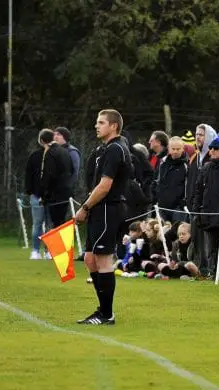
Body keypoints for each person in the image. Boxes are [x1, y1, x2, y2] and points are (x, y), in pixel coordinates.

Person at [73, 109, 131, 325]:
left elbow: (105, 186)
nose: (96, 126)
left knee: (103, 259)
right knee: (89, 258)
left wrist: (85, 207)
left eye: (101, 122)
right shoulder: (104, 149)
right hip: (100, 209)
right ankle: (103, 310)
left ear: (114, 126)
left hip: (108, 208)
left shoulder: (116, 149)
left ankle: (106, 314)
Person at [192, 132, 219, 280]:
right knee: (211, 246)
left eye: (216, 148)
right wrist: (196, 211)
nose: (212, 151)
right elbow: (199, 190)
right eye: (211, 148)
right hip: (208, 213)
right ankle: (212, 271)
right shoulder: (206, 168)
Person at [156, 138, 188, 223]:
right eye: (173, 149)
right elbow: (157, 181)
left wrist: (183, 202)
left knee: (177, 232)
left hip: (178, 208)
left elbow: (188, 185)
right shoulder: (162, 162)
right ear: (169, 149)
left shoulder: (186, 165)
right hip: (162, 205)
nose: (175, 151)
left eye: (178, 149)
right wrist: (156, 198)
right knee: (162, 233)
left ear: (182, 149)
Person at [53, 127, 82, 197]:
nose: (55, 136)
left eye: (59, 134)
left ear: (65, 137)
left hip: (63, 193)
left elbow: (75, 173)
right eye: (54, 134)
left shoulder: (72, 152)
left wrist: (65, 188)